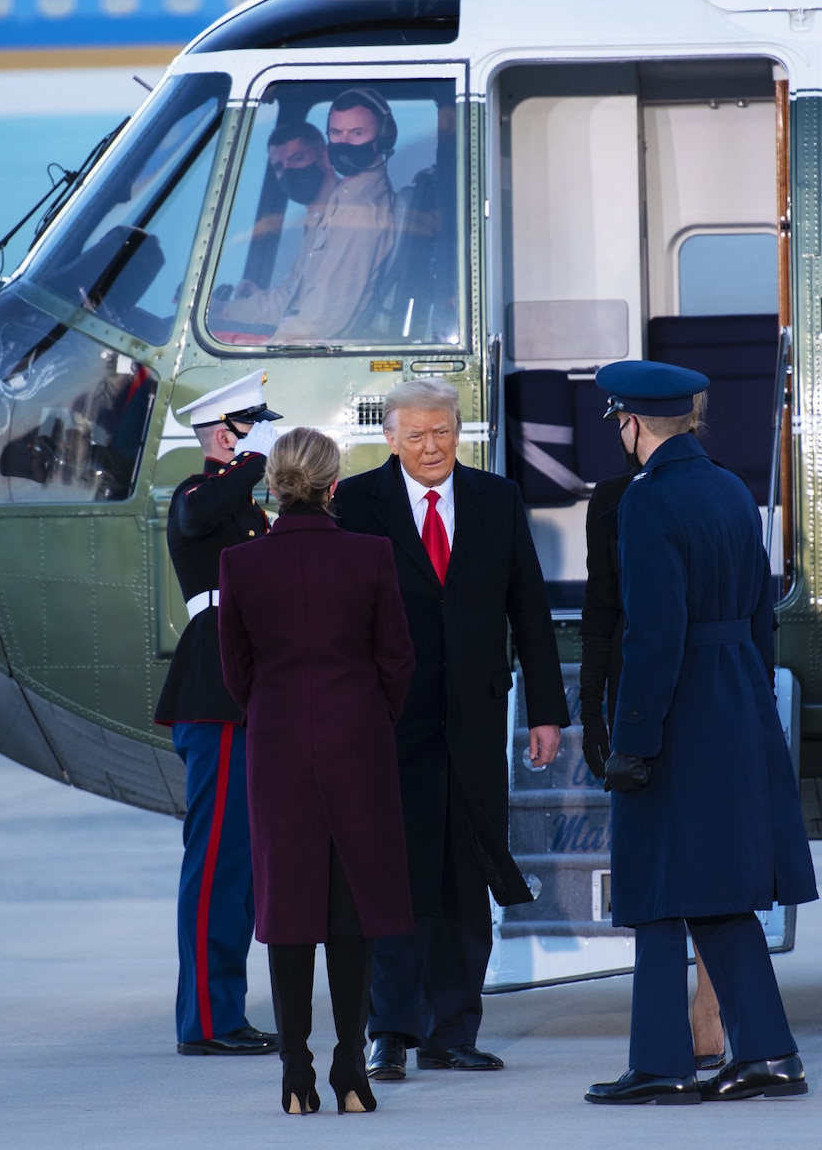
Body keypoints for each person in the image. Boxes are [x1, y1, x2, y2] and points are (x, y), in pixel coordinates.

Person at [584, 361, 817, 1107]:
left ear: (632, 423)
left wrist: (634, 736)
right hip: (735, 697)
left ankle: (661, 1061)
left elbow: (655, 633)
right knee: (720, 891)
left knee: (654, 890)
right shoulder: (728, 486)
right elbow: (759, 613)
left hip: (678, 707)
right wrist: (749, 696)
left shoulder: (647, 502)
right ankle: (770, 1052)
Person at [334, 377, 568, 1081]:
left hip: (473, 720)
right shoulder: (356, 503)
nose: (432, 446)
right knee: (395, 877)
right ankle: (391, 1031)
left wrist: (546, 709)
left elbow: (528, 606)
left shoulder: (496, 498)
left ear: (458, 430)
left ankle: (453, 1029)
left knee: (466, 880)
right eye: (417, 435)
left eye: (443, 432)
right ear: (391, 438)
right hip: (389, 724)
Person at [218, 427, 417, 1115]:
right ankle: (351, 1071)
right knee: (354, 909)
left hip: (276, 747)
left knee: (290, 909)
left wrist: (278, 714)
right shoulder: (372, 554)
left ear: (272, 487)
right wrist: (367, 716)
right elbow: (397, 658)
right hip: (357, 742)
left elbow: (236, 671)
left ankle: (295, 1074)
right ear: (335, 486)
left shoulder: (240, 565)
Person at [580, 439, 725, 1073]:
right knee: (657, 868)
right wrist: (590, 707)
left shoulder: (715, 491)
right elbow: (601, 606)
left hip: (691, 701)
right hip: (651, 696)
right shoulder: (614, 500)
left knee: (703, 865)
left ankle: (705, 1014)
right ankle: (673, 1031)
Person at [153, 371, 283, 1058]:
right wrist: (253, 458)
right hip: (217, 687)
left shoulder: (247, 508)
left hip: (249, 684)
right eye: (252, 424)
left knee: (246, 866)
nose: (265, 435)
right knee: (217, 863)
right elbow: (200, 516)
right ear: (223, 432)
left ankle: (223, 1010)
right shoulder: (199, 493)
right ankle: (206, 1019)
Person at [216, 90, 398, 343]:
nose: (344, 143)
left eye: (357, 133)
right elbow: (291, 295)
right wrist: (221, 311)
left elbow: (319, 323)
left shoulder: (359, 212)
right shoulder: (340, 202)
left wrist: (256, 346)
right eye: (336, 133)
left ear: (384, 138)